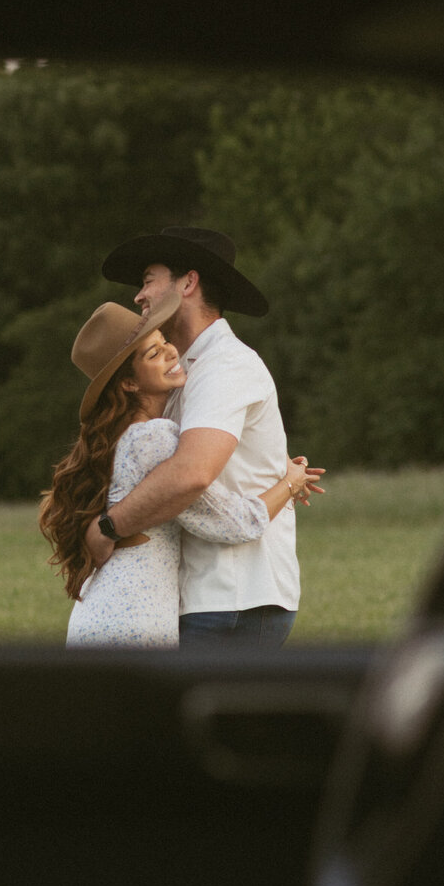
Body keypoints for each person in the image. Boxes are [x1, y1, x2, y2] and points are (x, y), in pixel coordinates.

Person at [84, 226, 320, 650]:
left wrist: (108, 527)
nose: (139, 296)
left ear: (187, 283)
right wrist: (288, 476)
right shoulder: (182, 373)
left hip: (232, 596)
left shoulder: (224, 365)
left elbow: (191, 473)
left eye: (148, 279)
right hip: (209, 597)